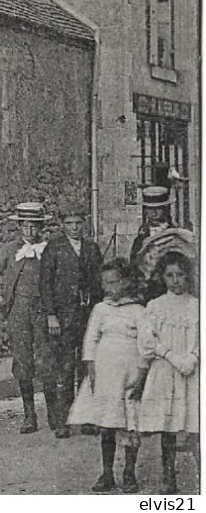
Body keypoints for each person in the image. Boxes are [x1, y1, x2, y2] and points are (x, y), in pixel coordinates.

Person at [68, 258, 145, 493]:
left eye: (113, 282)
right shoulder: (100, 309)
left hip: (129, 374)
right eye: (105, 283)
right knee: (107, 424)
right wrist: (90, 366)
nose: (108, 287)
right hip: (105, 373)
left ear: (128, 282)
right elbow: (90, 338)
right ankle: (107, 472)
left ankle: (129, 472)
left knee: (130, 423)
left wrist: (141, 375)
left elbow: (146, 344)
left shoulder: (139, 311)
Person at [134, 252, 199, 495]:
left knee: (194, 424)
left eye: (180, 275)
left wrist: (193, 358)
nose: (175, 281)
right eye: (170, 276)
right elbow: (147, 340)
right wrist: (172, 356)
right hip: (165, 369)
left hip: (191, 373)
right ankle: (168, 477)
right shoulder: (155, 306)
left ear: (188, 276)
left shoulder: (196, 305)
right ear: (162, 277)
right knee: (170, 426)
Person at [0, 201, 58, 434]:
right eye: (25, 226)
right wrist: (0, 298)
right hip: (18, 310)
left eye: (34, 226)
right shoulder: (10, 250)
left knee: (46, 360)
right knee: (22, 361)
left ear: (41, 227)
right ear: (19, 226)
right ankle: (29, 415)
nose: (29, 231)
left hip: (42, 311)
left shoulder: (50, 248)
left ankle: (53, 413)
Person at [40, 203, 102, 438]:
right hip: (63, 318)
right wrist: (51, 314)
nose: (74, 228)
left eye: (78, 223)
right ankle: (63, 419)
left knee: (86, 366)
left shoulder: (92, 248)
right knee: (64, 368)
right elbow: (45, 283)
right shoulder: (53, 248)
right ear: (62, 225)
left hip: (88, 316)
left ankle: (86, 417)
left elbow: (98, 282)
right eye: (69, 224)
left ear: (83, 224)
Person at [129, 185, 175, 302]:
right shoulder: (141, 238)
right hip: (147, 294)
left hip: (170, 292)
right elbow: (134, 267)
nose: (153, 213)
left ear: (165, 208)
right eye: (149, 209)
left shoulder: (175, 234)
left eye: (158, 208)